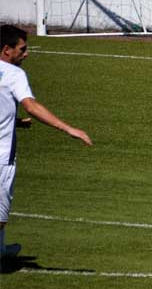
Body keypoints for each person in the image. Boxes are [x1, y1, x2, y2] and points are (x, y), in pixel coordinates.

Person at [0, 25, 93, 261]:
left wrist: (14, 122)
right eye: (23, 49)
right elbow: (31, 105)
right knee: (0, 217)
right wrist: (68, 128)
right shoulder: (14, 74)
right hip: (2, 158)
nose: (26, 53)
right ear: (6, 50)